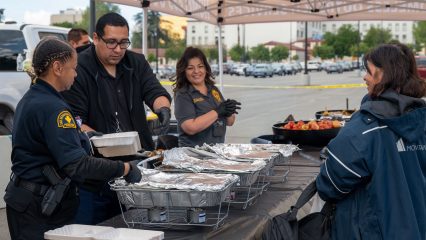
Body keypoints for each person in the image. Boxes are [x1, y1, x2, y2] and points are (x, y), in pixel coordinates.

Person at [4, 37, 142, 240]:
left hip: (26, 201)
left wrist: (83, 136)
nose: (76, 75)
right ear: (58, 67)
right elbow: (76, 164)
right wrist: (124, 169)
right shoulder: (53, 108)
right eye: (73, 68)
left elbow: (45, 141)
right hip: (38, 208)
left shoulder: (34, 97)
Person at [62, 12, 172, 224]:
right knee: (95, 231)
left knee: (136, 228)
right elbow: (74, 119)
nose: (118, 49)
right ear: (96, 38)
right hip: (97, 172)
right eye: (111, 42)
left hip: (136, 167)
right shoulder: (79, 67)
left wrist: (163, 109)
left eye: (124, 42)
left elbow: (154, 90)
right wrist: (94, 135)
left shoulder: (136, 61)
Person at [316, 43, 426, 240]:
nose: (365, 77)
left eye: (368, 71)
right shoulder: (422, 120)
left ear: (384, 74)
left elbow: (330, 184)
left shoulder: (366, 127)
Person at [173, 47, 241, 147]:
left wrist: (229, 110)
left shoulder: (213, 90)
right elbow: (190, 127)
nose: (196, 71)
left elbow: (230, 122)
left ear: (205, 68)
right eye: (190, 68)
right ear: (184, 71)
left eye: (200, 66)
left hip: (216, 153)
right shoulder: (183, 94)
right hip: (193, 155)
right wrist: (217, 112)